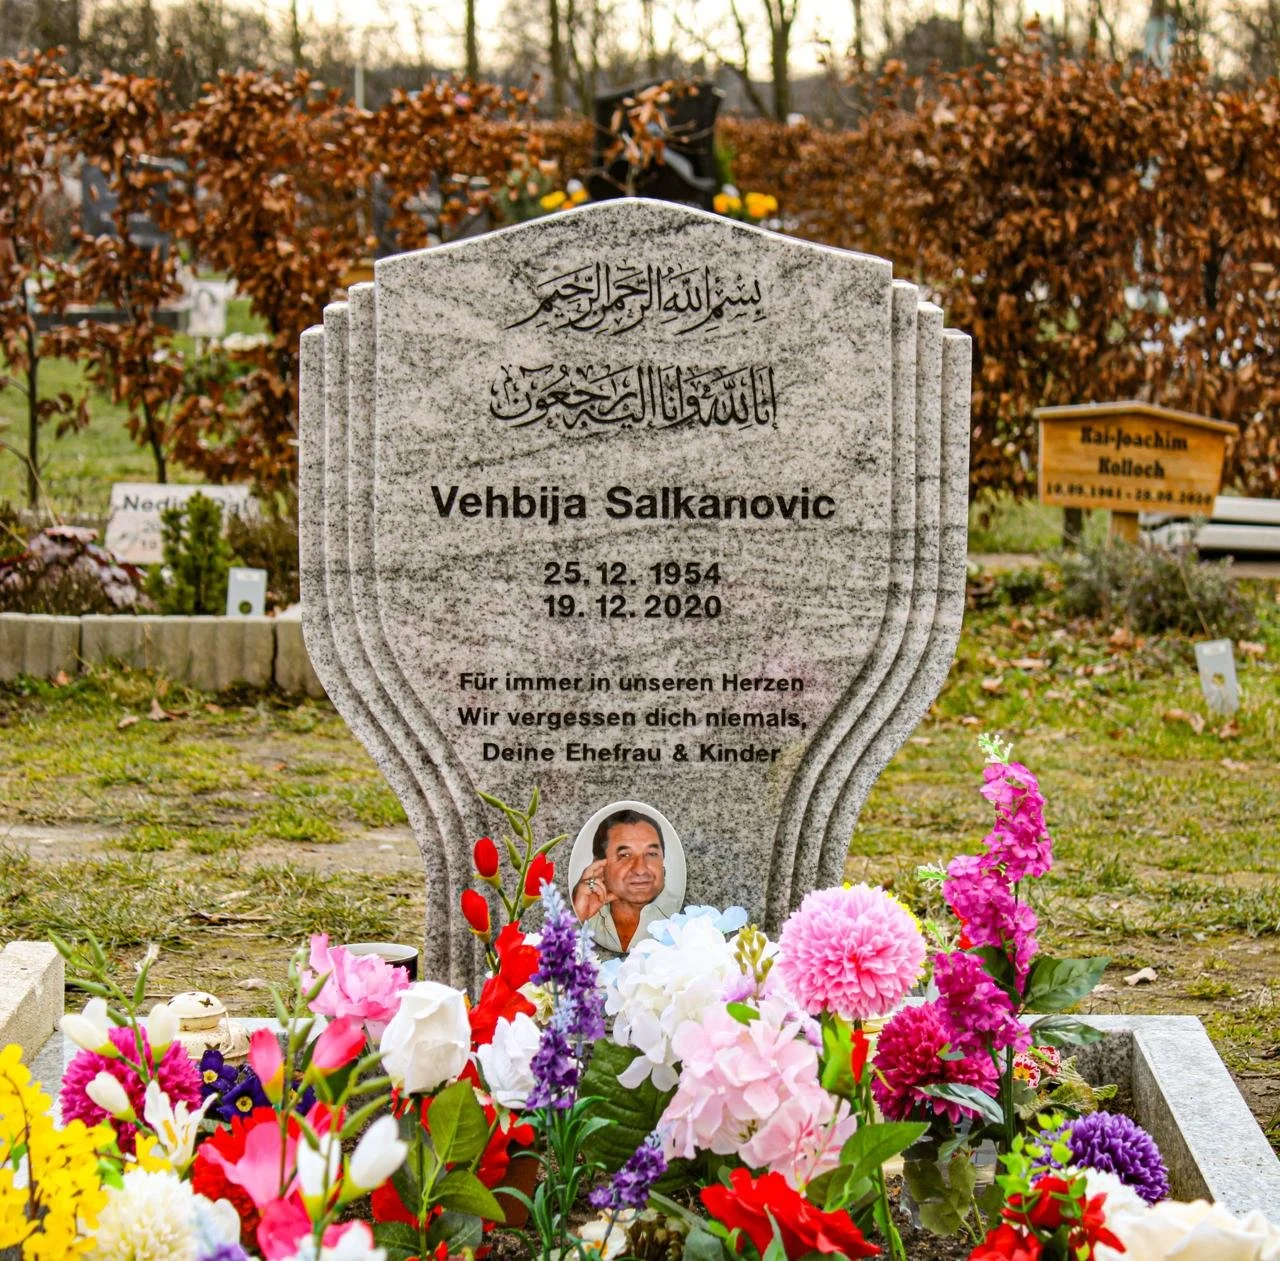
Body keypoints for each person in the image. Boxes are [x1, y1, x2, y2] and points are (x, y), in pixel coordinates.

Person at [571, 808, 667, 953]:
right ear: (599, 866)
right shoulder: (586, 916)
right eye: (625, 855)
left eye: (651, 854)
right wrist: (577, 916)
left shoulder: (682, 916)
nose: (640, 869)